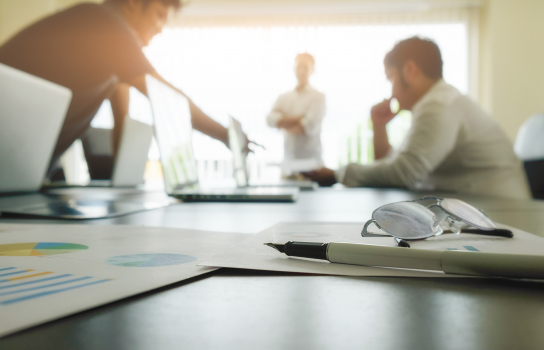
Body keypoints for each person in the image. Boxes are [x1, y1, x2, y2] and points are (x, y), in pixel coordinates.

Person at [0, 0, 246, 179]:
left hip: (21, 167)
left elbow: (122, 119)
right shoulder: (103, 21)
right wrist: (227, 135)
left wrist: (121, 180)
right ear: (133, 3)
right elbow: (164, 96)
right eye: (160, 14)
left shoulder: (111, 57)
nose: (160, 27)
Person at [305, 37, 530, 199]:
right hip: (485, 209)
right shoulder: (435, 103)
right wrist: (379, 126)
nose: (391, 91)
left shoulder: (438, 106)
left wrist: (337, 173)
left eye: (391, 78)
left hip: (503, 215)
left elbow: (403, 173)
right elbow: (394, 164)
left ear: (410, 69)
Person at [267, 53, 326, 173]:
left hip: (313, 167)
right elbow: (270, 120)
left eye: (305, 67)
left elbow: (305, 128)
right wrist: (299, 118)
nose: (302, 71)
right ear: (294, 68)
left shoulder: (318, 97)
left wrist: (282, 121)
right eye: (299, 67)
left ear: (312, 70)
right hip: (288, 165)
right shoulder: (283, 97)